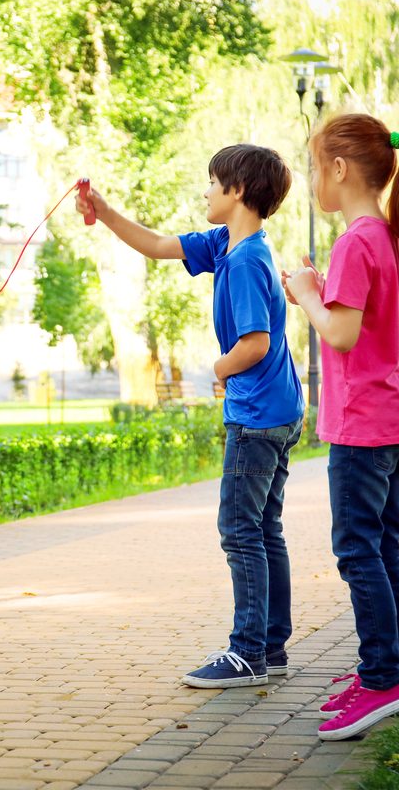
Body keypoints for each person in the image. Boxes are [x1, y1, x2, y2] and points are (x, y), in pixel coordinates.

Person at [78, 145, 304, 688]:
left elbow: (255, 342)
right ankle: (270, 647)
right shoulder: (228, 244)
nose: (205, 192)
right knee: (264, 529)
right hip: (279, 409)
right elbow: (157, 245)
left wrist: (221, 367)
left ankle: (247, 651)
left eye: (212, 183)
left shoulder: (247, 262)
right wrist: (103, 212)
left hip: (255, 416)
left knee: (239, 531)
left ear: (238, 192)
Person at [284, 113, 399, 740]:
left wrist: (305, 292)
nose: (316, 177)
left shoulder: (356, 242)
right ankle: (384, 670)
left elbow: (339, 332)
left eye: (317, 166)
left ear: (339, 169)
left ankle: (383, 680)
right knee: (382, 547)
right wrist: (318, 293)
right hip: (394, 421)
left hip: (362, 428)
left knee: (356, 551)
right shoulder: (391, 238)